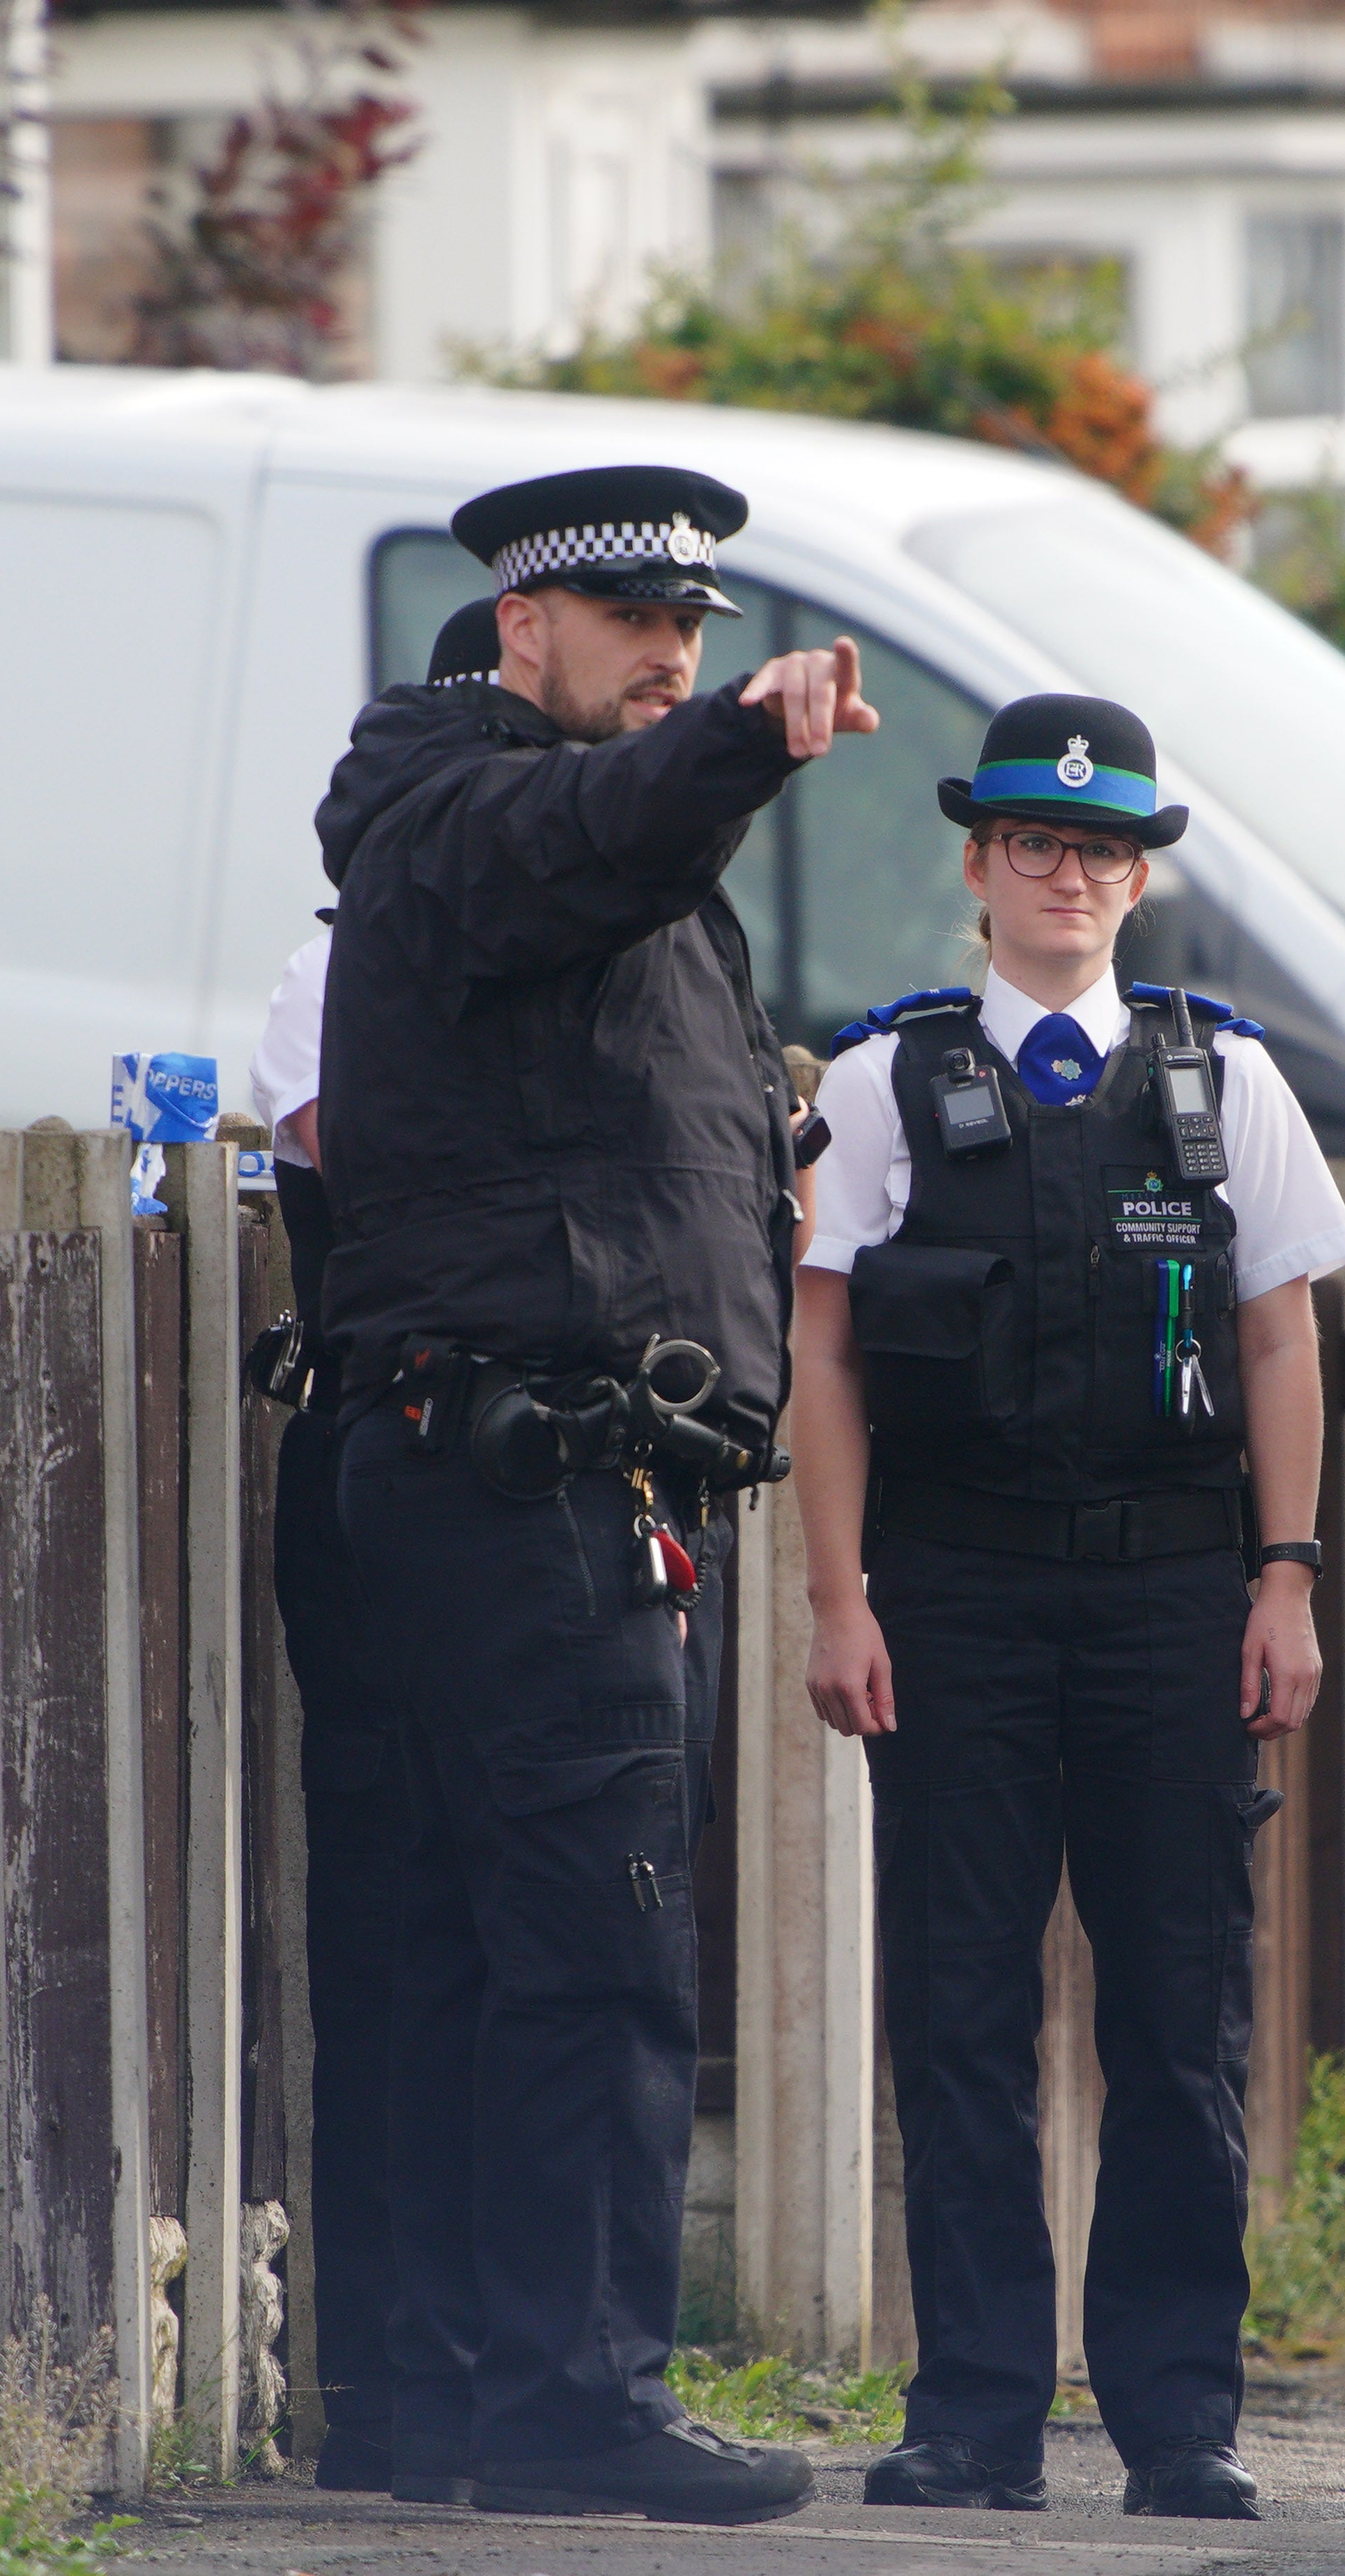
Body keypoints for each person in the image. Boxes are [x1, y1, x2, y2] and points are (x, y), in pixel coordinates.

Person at [312, 463, 877, 2525]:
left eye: (698, 629)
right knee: (594, 1952)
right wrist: (737, 744)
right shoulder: (467, 809)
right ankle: (576, 2396)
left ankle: (446, 2392)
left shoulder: (533, 840)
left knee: (478, 1948)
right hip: (529, 1477)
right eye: (632, 620)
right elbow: (600, 833)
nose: (672, 653)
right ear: (518, 627)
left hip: (538, 1473)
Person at [788, 696, 1345, 2521]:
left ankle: (1179, 2412)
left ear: (1139, 875)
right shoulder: (882, 1080)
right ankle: (971, 2407)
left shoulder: (1225, 1077)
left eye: (1103, 848)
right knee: (957, 2014)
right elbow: (822, 1352)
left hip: (1171, 1597)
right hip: (951, 1590)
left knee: (1179, 2019)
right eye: (1034, 842)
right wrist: (836, 1597)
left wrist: (1288, 1574)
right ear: (978, 865)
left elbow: (1281, 1334)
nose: (1069, 874)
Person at [245, 593, 501, 2494]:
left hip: (569, 1478)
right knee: (404, 1928)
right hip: (394, 1456)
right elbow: (375, 1155)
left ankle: (522, 2354)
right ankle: (393, 2387)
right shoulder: (328, 967)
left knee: (552, 1941)